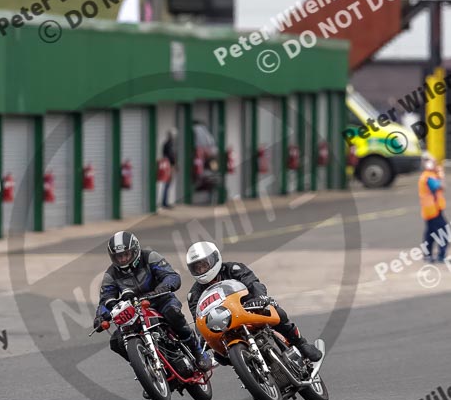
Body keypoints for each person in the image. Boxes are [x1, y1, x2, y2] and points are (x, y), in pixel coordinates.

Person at [185, 241, 322, 363]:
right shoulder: (194, 294)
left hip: (248, 309)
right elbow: (198, 319)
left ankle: (301, 344)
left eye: (204, 265)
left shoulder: (234, 269)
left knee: (276, 311)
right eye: (197, 268)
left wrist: (259, 297)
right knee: (221, 358)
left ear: (214, 259)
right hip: (223, 326)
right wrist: (202, 336)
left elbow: (254, 284)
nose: (201, 270)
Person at [94, 231, 210, 370]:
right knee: (116, 341)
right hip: (133, 311)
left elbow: (171, 276)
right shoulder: (111, 274)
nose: (123, 259)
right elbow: (106, 298)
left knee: (173, 313)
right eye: (119, 257)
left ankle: (197, 351)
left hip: (160, 300)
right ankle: (145, 369)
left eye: (126, 254)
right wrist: (100, 316)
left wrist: (161, 288)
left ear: (135, 250)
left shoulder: (150, 257)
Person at [419, 153, 448, 263]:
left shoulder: (429, 175)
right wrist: (441, 174)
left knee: (430, 234)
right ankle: (441, 255)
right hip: (433, 210)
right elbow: (440, 186)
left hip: (431, 210)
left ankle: (427, 254)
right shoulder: (428, 177)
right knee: (444, 232)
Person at [161, 128, 178, 209]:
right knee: (167, 184)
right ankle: (165, 202)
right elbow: (171, 157)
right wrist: (174, 165)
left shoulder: (167, 144)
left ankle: (165, 201)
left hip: (168, 166)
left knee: (167, 185)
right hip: (169, 167)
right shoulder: (169, 145)